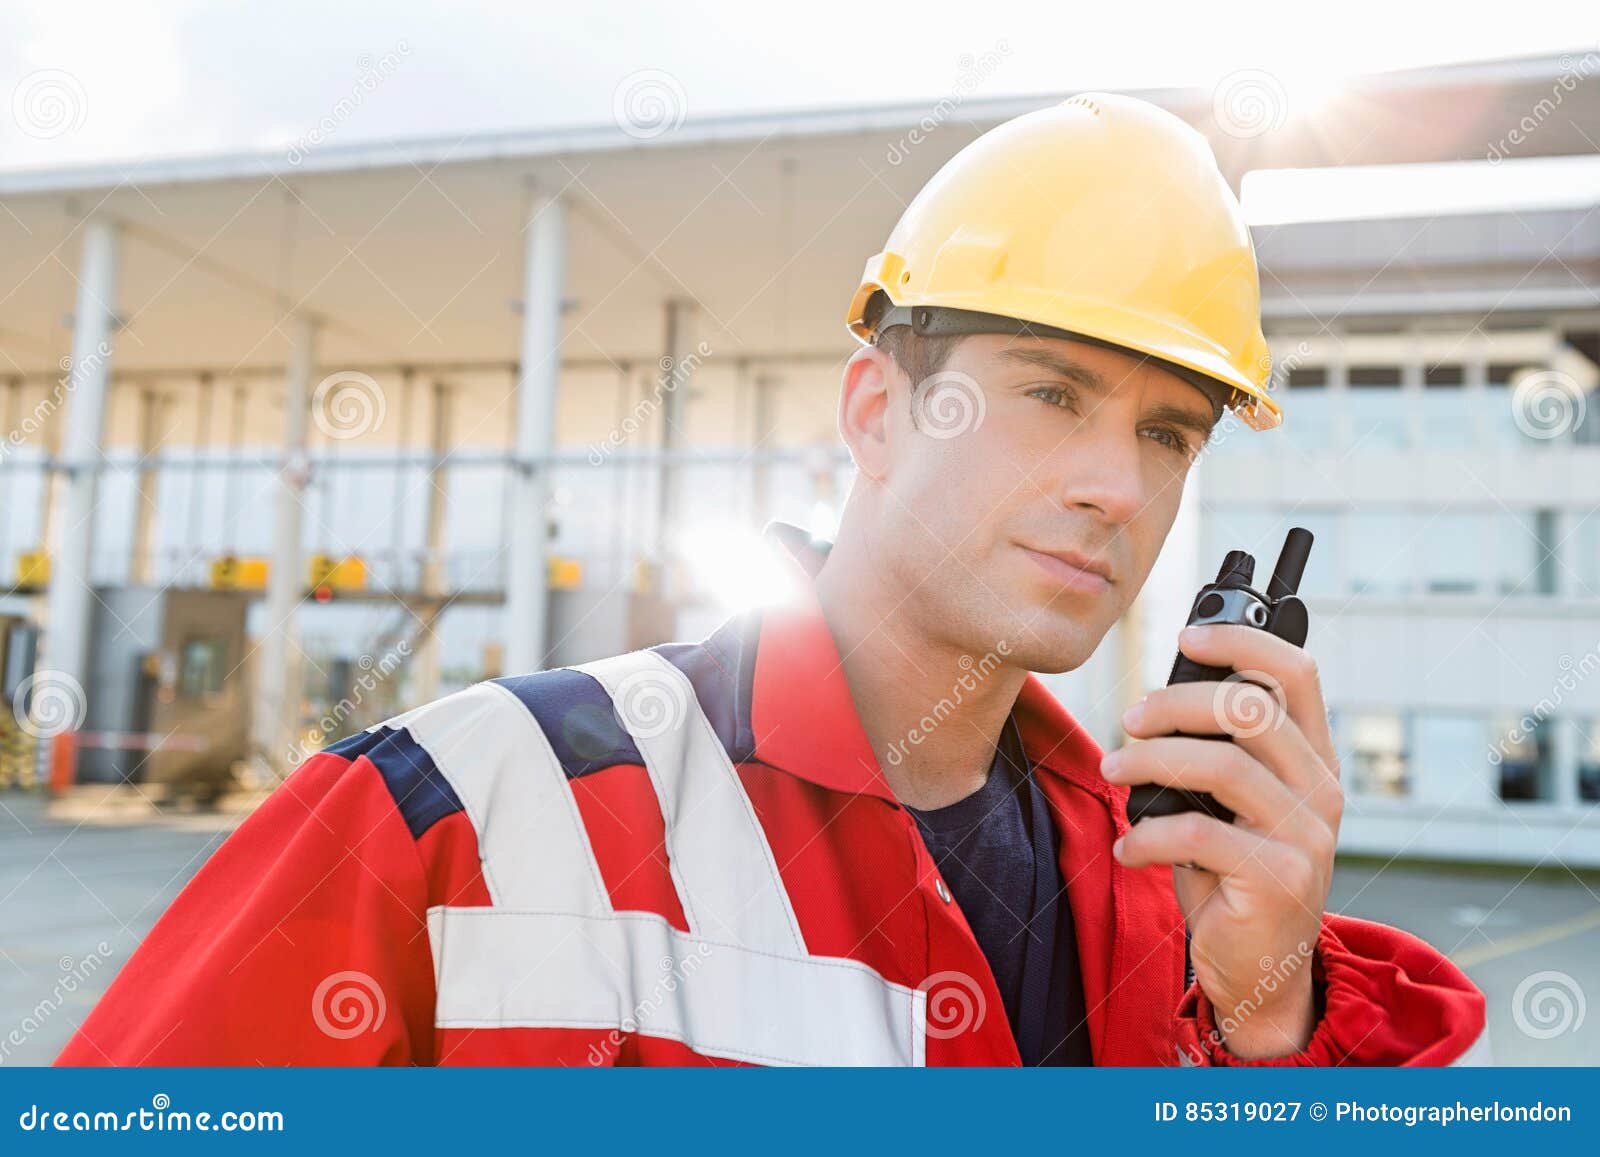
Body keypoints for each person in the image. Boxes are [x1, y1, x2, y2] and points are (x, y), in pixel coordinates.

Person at [58, 92, 1486, 1067]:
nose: (1117, 484)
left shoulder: (1162, 899)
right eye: (1052, 394)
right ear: (873, 412)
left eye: (1166, 432)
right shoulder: (454, 811)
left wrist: (1269, 1020)